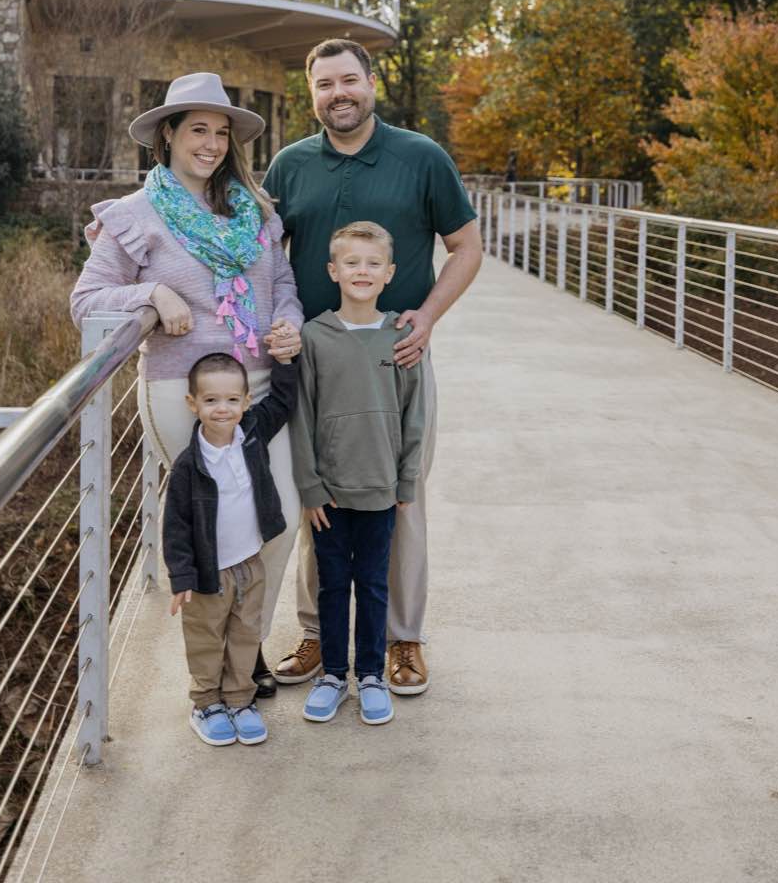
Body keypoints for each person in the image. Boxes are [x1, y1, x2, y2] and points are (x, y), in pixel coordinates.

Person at [70, 72, 303, 696]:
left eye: (221, 132)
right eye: (197, 129)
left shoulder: (253, 211)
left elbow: (282, 286)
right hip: (185, 394)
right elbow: (86, 301)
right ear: (167, 134)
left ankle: (245, 640)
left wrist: (286, 322)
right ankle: (223, 670)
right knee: (218, 524)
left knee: (277, 518)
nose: (211, 143)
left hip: (259, 388)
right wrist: (152, 291)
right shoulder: (134, 216)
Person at [264, 39, 482, 696]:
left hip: (395, 358)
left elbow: (466, 247)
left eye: (348, 80)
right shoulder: (289, 166)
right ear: (312, 96)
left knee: (401, 497)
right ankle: (317, 635)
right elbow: (257, 253)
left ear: (370, 84)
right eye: (324, 84)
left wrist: (427, 315)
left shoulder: (420, 157)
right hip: (315, 362)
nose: (339, 93)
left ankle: (402, 640)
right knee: (316, 499)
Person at [291, 222, 426, 726]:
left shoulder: (403, 335)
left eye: (373, 264)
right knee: (331, 584)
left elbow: (416, 415)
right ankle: (332, 677)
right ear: (334, 271)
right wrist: (309, 485)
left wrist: (406, 480)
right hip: (327, 493)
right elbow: (301, 416)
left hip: (381, 488)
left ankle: (370, 675)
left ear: (389, 273)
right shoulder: (315, 335)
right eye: (352, 263)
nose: (362, 272)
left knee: (372, 583)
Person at [164, 349, 299, 745]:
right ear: (193, 404)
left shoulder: (254, 432)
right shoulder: (189, 465)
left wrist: (286, 362)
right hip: (209, 572)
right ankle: (206, 702)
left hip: (250, 563)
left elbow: (284, 401)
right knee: (206, 638)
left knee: (245, 634)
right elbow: (176, 526)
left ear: (245, 401)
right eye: (210, 400)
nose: (222, 409)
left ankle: (240, 699)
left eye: (231, 400)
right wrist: (182, 576)